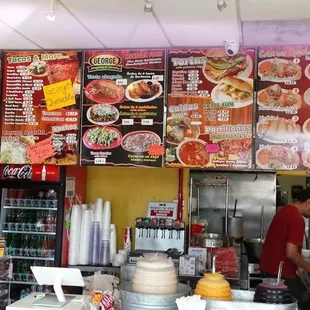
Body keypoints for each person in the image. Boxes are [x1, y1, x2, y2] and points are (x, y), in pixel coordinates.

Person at [260, 188, 310, 310]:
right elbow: (291, 253)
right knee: (305, 301)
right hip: (280, 276)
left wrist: (302, 264)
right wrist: (307, 266)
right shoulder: (296, 218)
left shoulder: (285, 211)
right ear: (308, 202)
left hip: (270, 273)